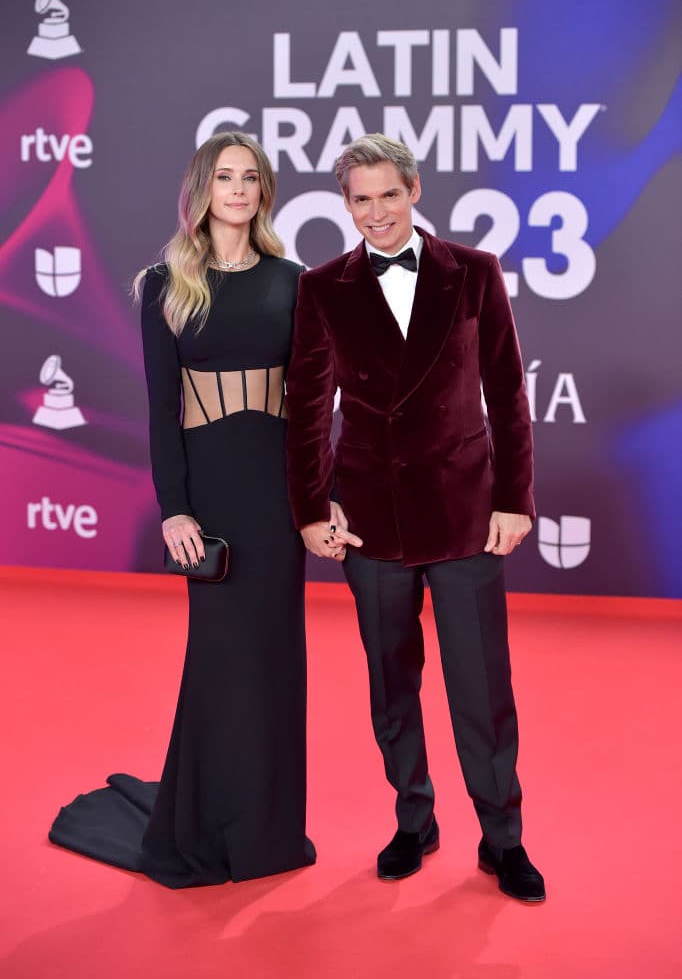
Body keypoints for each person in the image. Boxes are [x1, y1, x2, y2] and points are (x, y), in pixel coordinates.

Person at [49, 132, 316, 887]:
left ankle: (268, 830)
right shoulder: (166, 283)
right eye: (224, 176)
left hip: (275, 490)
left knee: (275, 656)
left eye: (250, 177)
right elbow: (160, 413)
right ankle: (208, 819)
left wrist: (316, 497)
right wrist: (175, 509)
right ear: (201, 188)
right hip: (212, 492)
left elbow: (309, 407)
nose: (238, 189)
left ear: (264, 191)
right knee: (221, 658)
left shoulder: (295, 281)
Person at [285, 133, 545, 902]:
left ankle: (504, 838)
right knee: (390, 683)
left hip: (466, 512)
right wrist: (309, 510)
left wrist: (514, 500)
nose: (376, 213)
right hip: (371, 519)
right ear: (346, 206)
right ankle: (414, 817)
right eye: (360, 199)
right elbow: (306, 411)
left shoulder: (474, 273)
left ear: (415, 190)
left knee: (480, 687)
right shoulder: (323, 287)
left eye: (388, 195)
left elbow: (509, 394)